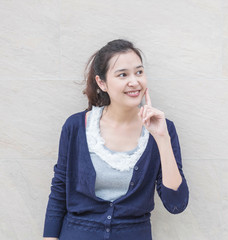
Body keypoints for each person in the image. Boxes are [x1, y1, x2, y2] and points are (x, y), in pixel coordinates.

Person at [43, 39, 189, 240]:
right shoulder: (76, 126)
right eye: (123, 74)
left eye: (139, 72)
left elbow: (176, 204)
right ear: (102, 83)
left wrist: (162, 138)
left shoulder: (163, 127)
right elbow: (59, 190)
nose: (134, 81)